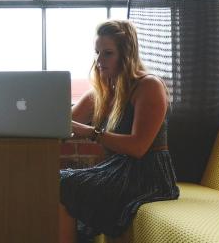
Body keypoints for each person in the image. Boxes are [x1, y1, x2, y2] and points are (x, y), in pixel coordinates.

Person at [59, 20, 180, 242]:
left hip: (148, 175)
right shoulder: (104, 91)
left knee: (64, 183)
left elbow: (138, 147)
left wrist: (91, 133)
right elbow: (62, 124)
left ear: (126, 55)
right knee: (55, 181)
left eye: (107, 53)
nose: (99, 61)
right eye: (97, 53)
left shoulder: (148, 86)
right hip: (117, 169)